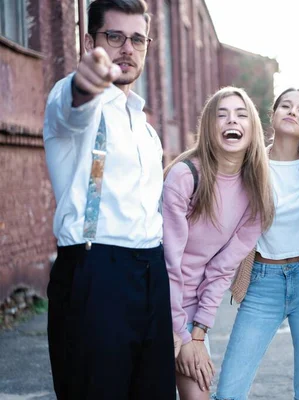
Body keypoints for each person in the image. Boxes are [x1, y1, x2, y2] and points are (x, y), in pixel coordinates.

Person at [43, 1, 176, 398]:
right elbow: (73, 107)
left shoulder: (145, 127)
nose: (127, 49)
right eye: (114, 37)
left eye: (137, 39)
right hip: (95, 271)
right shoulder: (69, 100)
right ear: (90, 42)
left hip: (151, 272)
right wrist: (86, 82)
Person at [213, 88, 299, 400]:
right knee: (228, 393)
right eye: (286, 105)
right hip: (261, 283)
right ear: (273, 115)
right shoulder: (249, 164)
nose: (292, 111)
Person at [163, 87, 274, 400]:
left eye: (240, 114)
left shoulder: (256, 193)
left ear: (252, 128)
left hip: (190, 311)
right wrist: (181, 335)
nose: (231, 120)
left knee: (198, 392)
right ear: (208, 128)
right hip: (155, 301)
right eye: (221, 114)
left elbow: (221, 270)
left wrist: (198, 333)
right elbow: (168, 262)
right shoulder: (184, 177)